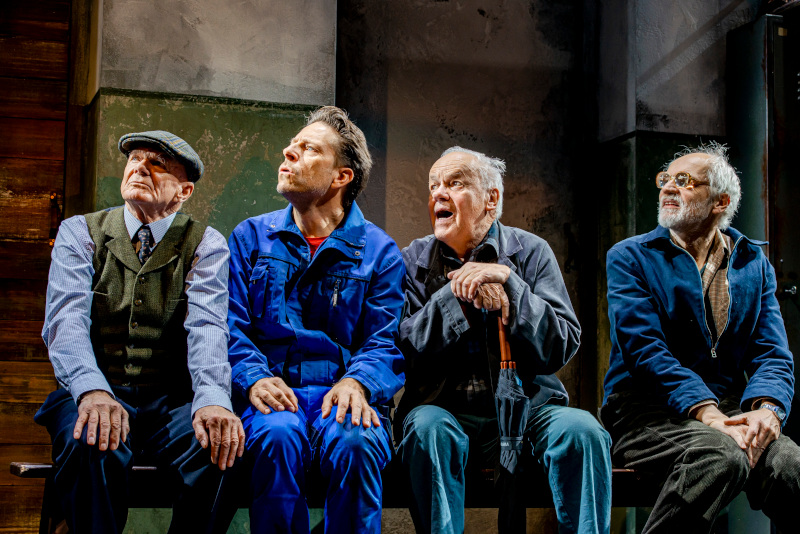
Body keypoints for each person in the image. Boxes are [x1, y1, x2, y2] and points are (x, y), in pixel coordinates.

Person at [34, 130, 245, 533]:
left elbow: (208, 327)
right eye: (135, 160)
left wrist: (213, 399)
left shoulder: (204, 244)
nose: (140, 168)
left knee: (221, 447)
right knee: (90, 438)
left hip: (169, 402)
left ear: (183, 191)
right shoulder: (80, 233)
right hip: (95, 389)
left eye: (157, 165)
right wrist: (92, 390)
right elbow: (65, 321)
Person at [396, 147, 612, 534]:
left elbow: (562, 342)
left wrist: (512, 286)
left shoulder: (530, 252)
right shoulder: (413, 260)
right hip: (443, 409)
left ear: (491, 199)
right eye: (433, 187)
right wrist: (457, 296)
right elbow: (405, 350)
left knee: (584, 432)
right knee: (426, 429)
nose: (438, 195)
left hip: (529, 407)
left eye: (455, 183)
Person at [601, 143, 800, 533]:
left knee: (790, 464)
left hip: (727, 409)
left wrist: (768, 410)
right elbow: (644, 351)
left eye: (684, 181)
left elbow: (772, 353)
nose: (668, 189)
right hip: (644, 412)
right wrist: (708, 414)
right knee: (721, 455)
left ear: (720, 202)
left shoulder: (751, 263)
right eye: (665, 179)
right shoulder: (630, 257)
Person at [227, 106, 405, 533]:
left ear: (341, 177)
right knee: (277, 435)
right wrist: (253, 377)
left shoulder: (380, 252)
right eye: (292, 144)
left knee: (356, 442)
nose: (288, 152)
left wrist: (357, 382)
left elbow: (384, 340)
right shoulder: (249, 237)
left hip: (342, 395)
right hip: (271, 395)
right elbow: (229, 327)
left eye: (307, 148)